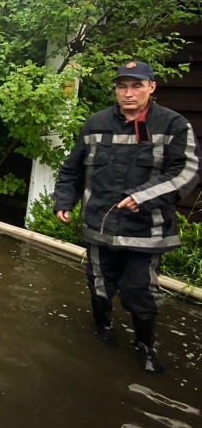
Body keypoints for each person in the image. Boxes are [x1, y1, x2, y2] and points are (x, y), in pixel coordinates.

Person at [53, 60, 200, 374]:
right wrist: (63, 200)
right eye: (122, 86)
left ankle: (144, 347)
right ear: (116, 90)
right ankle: (102, 329)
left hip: (145, 230)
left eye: (136, 85)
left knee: (140, 290)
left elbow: (187, 171)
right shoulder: (95, 123)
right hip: (99, 226)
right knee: (99, 285)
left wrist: (143, 197)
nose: (128, 93)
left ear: (151, 87)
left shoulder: (173, 125)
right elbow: (71, 169)